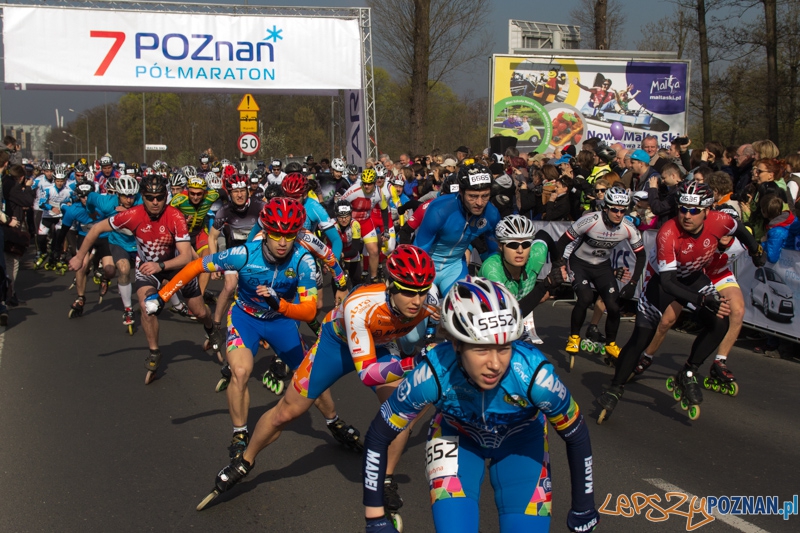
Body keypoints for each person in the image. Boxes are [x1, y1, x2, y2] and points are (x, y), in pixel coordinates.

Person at [193, 245, 439, 512]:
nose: (417, 300)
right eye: (408, 291)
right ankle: (245, 461)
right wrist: (414, 361)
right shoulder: (361, 306)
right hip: (336, 345)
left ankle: (386, 479)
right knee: (287, 413)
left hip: (382, 346)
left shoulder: (432, 300)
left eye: (422, 291)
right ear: (390, 285)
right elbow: (367, 375)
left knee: (401, 411)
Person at [361, 277, 597, 533]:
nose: (495, 364)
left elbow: (577, 434)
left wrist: (583, 504)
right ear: (456, 344)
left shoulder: (535, 376)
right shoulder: (433, 372)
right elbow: (378, 435)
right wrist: (374, 516)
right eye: (481, 349)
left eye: (504, 347)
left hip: (521, 443)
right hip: (457, 438)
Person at [151, 197, 360, 463]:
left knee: (309, 375)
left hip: (281, 321)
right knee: (239, 371)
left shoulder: (303, 257)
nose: (283, 242)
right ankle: (240, 433)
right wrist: (162, 296)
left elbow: (311, 305)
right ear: (265, 230)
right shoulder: (244, 253)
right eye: (276, 234)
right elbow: (195, 266)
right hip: (245, 318)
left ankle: (334, 421)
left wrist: (338, 282)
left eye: (289, 235)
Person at [597, 181, 766, 422]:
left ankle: (689, 370)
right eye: (683, 209)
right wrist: (702, 299)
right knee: (642, 336)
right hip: (662, 282)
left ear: (708, 211)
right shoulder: (668, 232)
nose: (687, 215)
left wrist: (755, 250)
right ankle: (615, 388)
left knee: (721, 320)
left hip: (694, 277)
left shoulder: (720, 220)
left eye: (694, 211)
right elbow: (668, 284)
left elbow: (739, 228)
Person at [68, 175, 215, 384]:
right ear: (143, 197)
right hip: (148, 269)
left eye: (160, 197)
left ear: (166, 197)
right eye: (149, 197)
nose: (155, 202)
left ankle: (211, 327)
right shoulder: (131, 215)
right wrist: (80, 256)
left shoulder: (176, 216)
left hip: (174, 267)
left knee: (199, 311)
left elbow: (185, 256)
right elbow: (96, 229)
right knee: (148, 308)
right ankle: (154, 352)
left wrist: (161, 265)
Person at [554, 187, 645, 362]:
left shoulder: (628, 227)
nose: (619, 214)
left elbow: (641, 255)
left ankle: (611, 343)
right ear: (605, 207)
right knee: (586, 297)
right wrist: (558, 265)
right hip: (579, 264)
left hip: (602, 267)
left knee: (613, 305)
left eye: (622, 210)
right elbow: (562, 242)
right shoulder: (589, 220)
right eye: (614, 210)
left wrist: (633, 283)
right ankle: (574, 337)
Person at [479, 215, 564, 344]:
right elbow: (510, 316)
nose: (520, 250)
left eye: (526, 244)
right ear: (501, 246)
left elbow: (543, 235)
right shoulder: (491, 270)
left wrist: (557, 262)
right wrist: (546, 285)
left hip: (514, 320)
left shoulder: (536, 255)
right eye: (513, 245)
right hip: (486, 324)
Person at [85, 175, 141, 331]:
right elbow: (90, 197)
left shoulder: (141, 201)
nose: (129, 200)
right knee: (123, 270)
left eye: (132, 196)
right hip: (118, 242)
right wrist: (91, 213)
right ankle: (128, 309)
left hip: (139, 243)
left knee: (148, 275)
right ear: (117, 194)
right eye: (125, 196)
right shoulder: (106, 203)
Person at [341, 168, 390, 283]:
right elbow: (340, 205)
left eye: (369, 184)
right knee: (348, 250)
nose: (367, 186)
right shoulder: (354, 190)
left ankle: (373, 278)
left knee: (373, 250)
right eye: (365, 183)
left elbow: (384, 210)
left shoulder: (378, 192)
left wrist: (386, 229)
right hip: (351, 222)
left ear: (374, 182)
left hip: (365, 221)